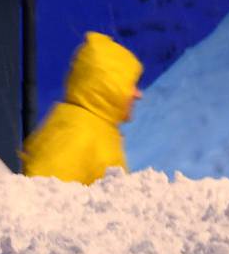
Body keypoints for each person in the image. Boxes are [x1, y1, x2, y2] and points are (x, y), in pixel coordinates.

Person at [22, 32, 143, 184]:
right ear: (109, 86)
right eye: (130, 85)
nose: (138, 94)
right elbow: (44, 194)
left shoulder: (95, 128)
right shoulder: (77, 132)